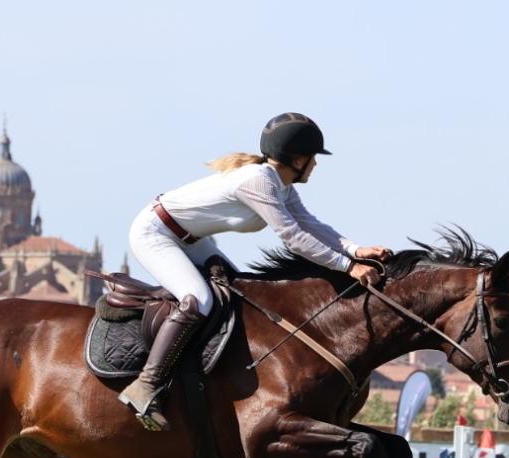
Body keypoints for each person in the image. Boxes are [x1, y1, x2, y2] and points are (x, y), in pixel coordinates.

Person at [119, 112, 394, 431]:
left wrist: (355, 249)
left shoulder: (280, 184)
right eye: (314, 159)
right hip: (156, 234)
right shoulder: (259, 181)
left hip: (191, 240)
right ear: (299, 159)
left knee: (243, 298)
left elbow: (310, 223)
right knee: (199, 301)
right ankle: (145, 385)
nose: (316, 166)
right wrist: (348, 267)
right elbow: (293, 237)